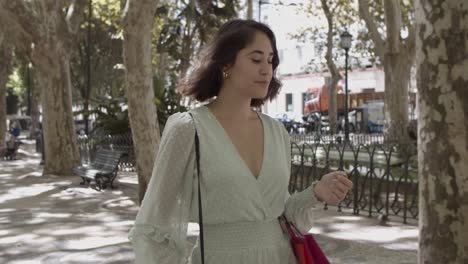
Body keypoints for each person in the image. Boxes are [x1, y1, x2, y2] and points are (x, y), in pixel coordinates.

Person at [129, 19, 353, 264]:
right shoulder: (188, 129)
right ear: (226, 63)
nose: (267, 69)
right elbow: (153, 226)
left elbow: (280, 214)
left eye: (270, 61)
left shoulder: (277, 131)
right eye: (256, 59)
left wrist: (317, 192)